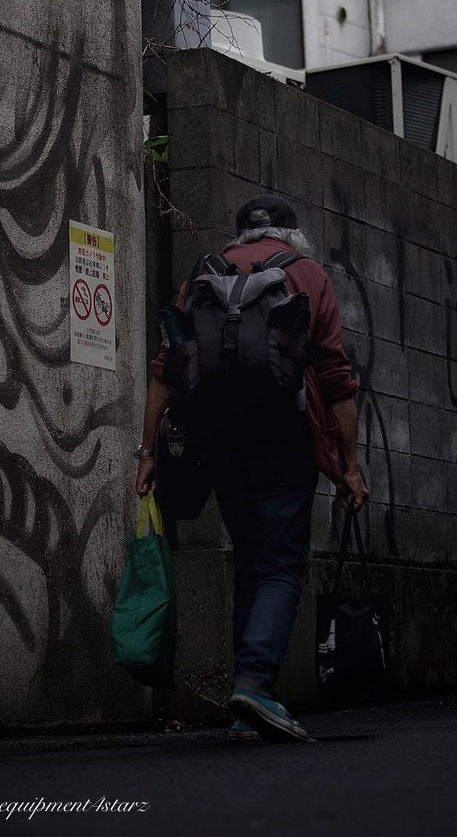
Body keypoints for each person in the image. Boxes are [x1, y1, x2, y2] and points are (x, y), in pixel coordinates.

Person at [135, 193, 369, 742]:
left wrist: (147, 454)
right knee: (282, 564)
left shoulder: (204, 277)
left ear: (240, 235)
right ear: (292, 234)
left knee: (250, 562)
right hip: (287, 439)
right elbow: (337, 381)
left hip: (220, 443)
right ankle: (257, 683)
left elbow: (166, 372)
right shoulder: (309, 275)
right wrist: (350, 466)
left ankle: (245, 705)